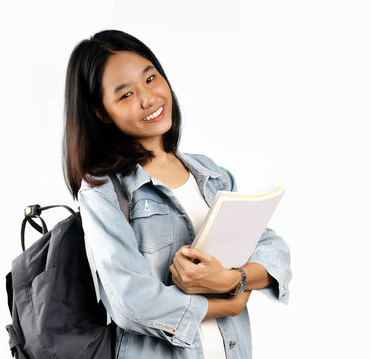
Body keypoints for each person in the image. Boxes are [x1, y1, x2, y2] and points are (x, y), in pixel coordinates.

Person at [63, 29, 291, 359]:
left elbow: (271, 247)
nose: (148, 98)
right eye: (125, 95)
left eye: (151, 78)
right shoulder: (103, 190)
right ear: (100, 112)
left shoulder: (212, 174)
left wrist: (234, 280)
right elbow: (131, 301)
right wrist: (226, 302)